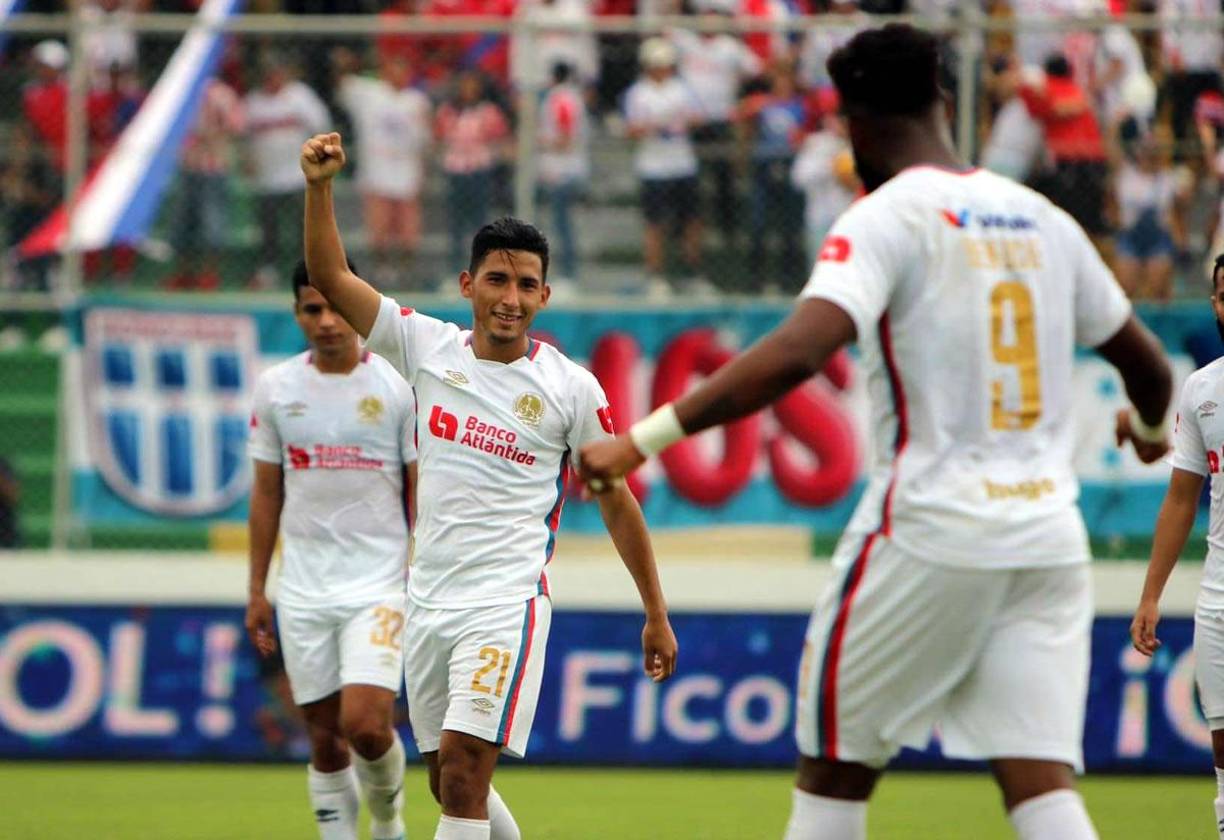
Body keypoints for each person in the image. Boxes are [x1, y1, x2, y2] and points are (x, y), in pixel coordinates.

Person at [578, 24, 1174, 840]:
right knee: (1041, 784)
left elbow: (801, 349)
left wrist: (640, 438)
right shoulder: (1043, 220)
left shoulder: (886, 216)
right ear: (942, 101)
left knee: (834, 770)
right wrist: (1144, 430)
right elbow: (1149, 369)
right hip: (1047, 541)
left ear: (853, 124)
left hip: (929, 527)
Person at [300, 132, 678, 840]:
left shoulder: (571, 389)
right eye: (498, 281)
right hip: (429, 600)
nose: (511, 299)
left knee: (469, 777)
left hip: (505, 605)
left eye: (526, 285)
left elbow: (618, 501)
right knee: (450, 780)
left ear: (545, 295)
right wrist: (320, 188)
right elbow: (331, 275)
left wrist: (654, 610)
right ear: (468, 284)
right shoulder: (426, 346)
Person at [245, 260, 418, 840]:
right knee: (322, 736)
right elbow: (267, 493)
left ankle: (389, 821)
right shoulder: (276, 388)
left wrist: (421, 568)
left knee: (366, 726)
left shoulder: (396, 386)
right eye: (311, 309)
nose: (326, 321)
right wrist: (256, 591)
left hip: (379, 586)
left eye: (336, 307)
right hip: (302, 589)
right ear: (296, 315)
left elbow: (420, 489)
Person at [1131, 252, 1224, 840]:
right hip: (1219, 599)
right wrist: (1150, 595)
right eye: (1220, 292)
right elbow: (1180, 499)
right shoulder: (1202, 389)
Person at [334, 48, 432, 286]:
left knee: (408, 230)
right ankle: (381, 270)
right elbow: (343, 84)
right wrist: (346, 64)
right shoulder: (369, 94)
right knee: (379, 227)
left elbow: (425, 139)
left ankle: (407, 273)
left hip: (406, 171)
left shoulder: (416, 101)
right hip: (377, 171)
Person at [244, 55, 331, 290]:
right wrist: (250, 160)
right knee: (269, 230)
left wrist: (316, 158)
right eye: (268, 74)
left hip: (298, 176)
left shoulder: (299, 96)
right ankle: (268, 271)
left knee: (303, 228)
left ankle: (308, 272)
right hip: (267, 179)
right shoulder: (254, 102)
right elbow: (247, 138)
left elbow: (321, 124)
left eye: (276, 72)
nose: (273, 78)